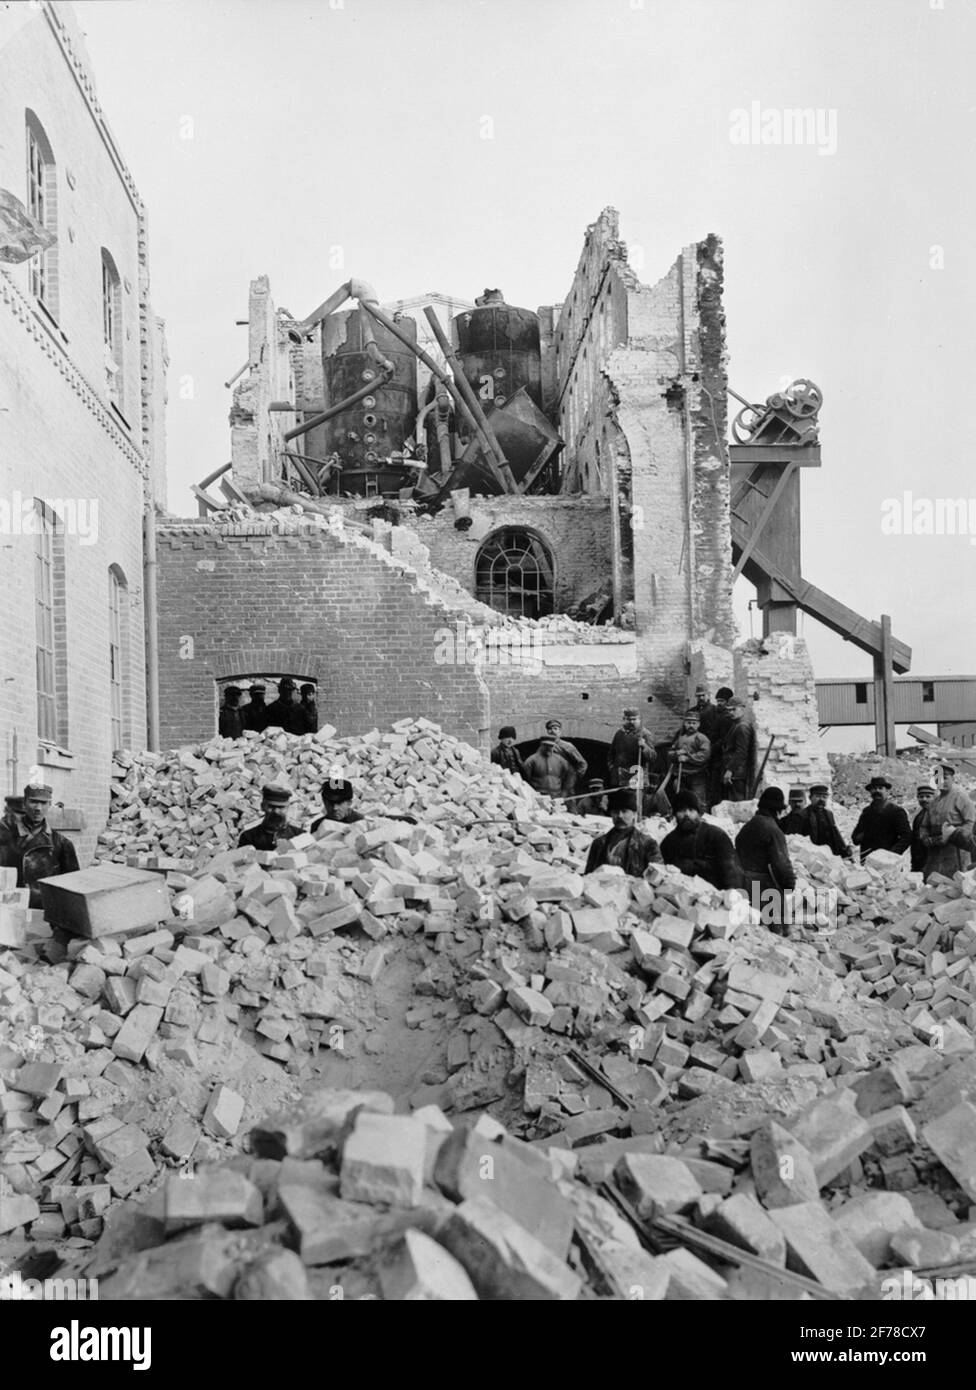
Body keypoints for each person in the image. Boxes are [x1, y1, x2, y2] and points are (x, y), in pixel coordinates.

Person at [0, 783, 80, 908]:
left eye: (43, 803)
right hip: (9, 910)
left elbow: (72, 889)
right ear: (25, 803)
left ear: (49, 805)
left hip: (44, 912)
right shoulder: (5, 837)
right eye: (33, 802)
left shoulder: (61, 844)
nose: (38, 808)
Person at [735, 787, 796, 931]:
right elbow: (781, 865)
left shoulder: (747, 828)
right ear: (778, 810)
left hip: (744, 886)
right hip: (765, 888)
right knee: (775, 936)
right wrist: (789, 884)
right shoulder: (773, 830)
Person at [660, 790, 742, 889]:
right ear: (675, 814)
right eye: (681, 810)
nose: (687, 814)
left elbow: (731, 875)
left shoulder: (716, 836)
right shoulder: (668, 842)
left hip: (715, 897)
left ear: (698, 812)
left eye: (691, 810)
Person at [583, 789, 663, 877]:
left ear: (634, 814)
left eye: (624, 811)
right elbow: (588, 878)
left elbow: (657, 879)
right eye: (616, 812)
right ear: (611, 814)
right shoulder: (599, 844)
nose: (620, 816)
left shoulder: (648, 844)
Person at [918, 763, 974, 880]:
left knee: (955, 883)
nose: (941, 781)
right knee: (934, 883)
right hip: (936, 849)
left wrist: (954, 835)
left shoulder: (960, 796)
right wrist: (926, 838)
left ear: (953, 779)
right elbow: (924, 825)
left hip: (955, 849)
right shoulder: (935, 801)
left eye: (945, 778)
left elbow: (971, 822)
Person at [851, 777, 912, 858]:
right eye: (874, 788)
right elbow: (855, 836)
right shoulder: (866, 812)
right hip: (867, 860)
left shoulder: (897, 811)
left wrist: (891, 854)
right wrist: (860, 837)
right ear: (870, 792)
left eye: (880, 788)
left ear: (887, 791)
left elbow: (907, 837)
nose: (877, 791)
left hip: (888, 862)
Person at [667, 709, 711, 807]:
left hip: (696, 775)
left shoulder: (702, 738)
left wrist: (687, 758)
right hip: (681, 775)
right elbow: (670, 753)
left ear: (698, 724)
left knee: (698, 801)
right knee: (682, 801)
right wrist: (676, 754)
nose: (691, 725)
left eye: (694, 723)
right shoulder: (680, 738)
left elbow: (704, 755)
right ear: (685, 723)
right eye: (688, 722)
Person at [237, 785, 304, 850]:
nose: (276, 811)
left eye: (281, 807)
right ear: (262, 806)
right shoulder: (248, 837)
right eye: (272, 807)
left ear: (288, 808)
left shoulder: (300, 835)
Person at [607, 708, 657, 792]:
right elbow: (611, 753)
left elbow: (653, 757)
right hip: (619, 777)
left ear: (639, 720)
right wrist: (612, 767)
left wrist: (644, 746)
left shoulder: (645, 734)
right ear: (624, 719)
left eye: (634, 719)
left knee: (633, 802)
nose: (631, 722)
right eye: (629, 719)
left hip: (636, 776)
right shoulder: (619, 733)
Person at [800, 783, 852, 859]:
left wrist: (844, 850)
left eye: (824, 797)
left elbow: (835, 833)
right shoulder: (803, 815)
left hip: (828, 854)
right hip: (811, 854)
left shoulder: (829, 814)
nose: (821, 799)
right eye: (818, 796)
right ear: (810, 798)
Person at [706, 687, 735, 806]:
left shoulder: (727, 719)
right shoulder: (716, 714)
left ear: (728, 702)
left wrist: (710, 750)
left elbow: (724, 740)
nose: (719, 704)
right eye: (718, 701)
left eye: (722, 701)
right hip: (715, 758)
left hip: (721, 758)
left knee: (718, 789)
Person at [523, 735, 576, 800]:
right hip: (539, 797)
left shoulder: (560, 760)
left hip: (556, 796)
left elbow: (570, 774)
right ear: (541, 745)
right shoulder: (531, 760)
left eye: (551, 746)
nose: (548, 748)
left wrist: (564, 792)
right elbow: (524, 781)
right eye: (546, 745)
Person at [544, 719, 587, 794]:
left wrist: (573, 778)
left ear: (560, 732)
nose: (552, 731)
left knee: (568, 804)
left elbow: (582, 764)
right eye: (549, 729)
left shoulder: (567, 746)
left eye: (555, 729)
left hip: (566, 783)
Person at [910, 783, 936, 874]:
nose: (924, 799)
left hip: (932, 860)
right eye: (921, 796)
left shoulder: (938, 814)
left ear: (934, 798)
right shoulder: (919, 815)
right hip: (918, 860)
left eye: (928, 796)